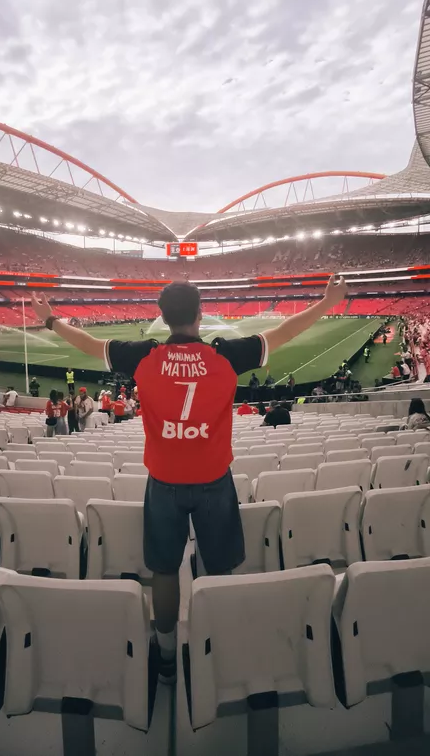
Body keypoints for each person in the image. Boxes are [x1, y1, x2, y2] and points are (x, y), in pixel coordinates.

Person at [31, 274, 348, 682]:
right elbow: (284, 331)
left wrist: (50, 320)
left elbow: (89, 345)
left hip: (163, 482)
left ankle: (165, 656)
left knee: (164, 571)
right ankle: (219, 645)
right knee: (219, 569)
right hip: (215, 480)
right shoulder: (227, 355)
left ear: (162, 318)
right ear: (201, 315)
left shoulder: (142, 355)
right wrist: (327, 302)